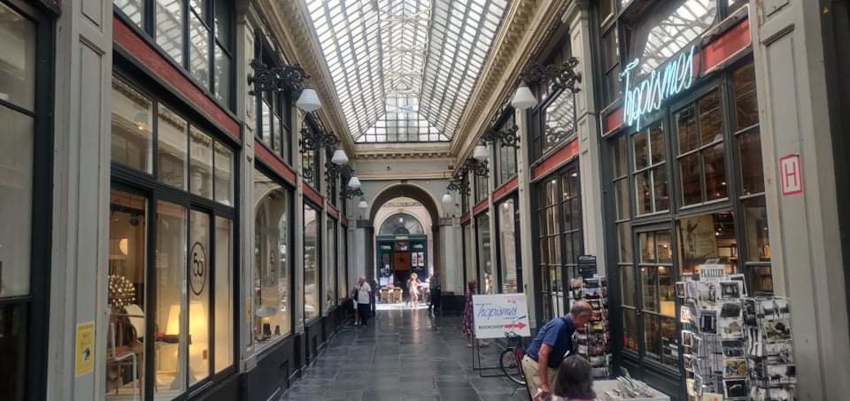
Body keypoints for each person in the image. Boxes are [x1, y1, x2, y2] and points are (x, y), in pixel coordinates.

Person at [523, 301, 593, 401]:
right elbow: (543, 353)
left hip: (549, 365)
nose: (585, 324)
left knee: (551, 397)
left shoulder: (567, 326)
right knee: (543, 397)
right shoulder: (559, 325)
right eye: (586, 320)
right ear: (581, 317)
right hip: (536, 364)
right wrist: (544, 384)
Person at [462, 280, 488, 348]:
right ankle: (469, 342)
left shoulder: (473, 292)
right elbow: (469, 302)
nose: (477, 285)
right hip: (469, 313)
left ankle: (480, 341)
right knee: (468, 327)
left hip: (473, 312)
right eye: (475, 284)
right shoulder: (469, 293)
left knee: (476, 326)